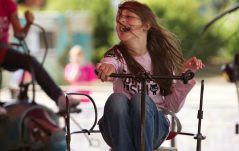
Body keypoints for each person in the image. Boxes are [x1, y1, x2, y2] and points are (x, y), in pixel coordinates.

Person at [95, 1, 205, 151]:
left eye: (129, 17)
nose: (121, 20)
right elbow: (110, 62)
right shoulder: (116, 54)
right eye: (119, 17)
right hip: (119, 130)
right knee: (117, 99)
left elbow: (172, 106)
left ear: (146, 26)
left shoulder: (161, 59)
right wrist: (106, 68)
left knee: (140, 100)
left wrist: (184, 76)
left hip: (154, 129)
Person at [0, 0, 80, 115]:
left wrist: (28, 23)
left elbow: (19, 35)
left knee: (30, 61)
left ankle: (59, 98)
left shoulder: (8, 4)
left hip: (3, 50)